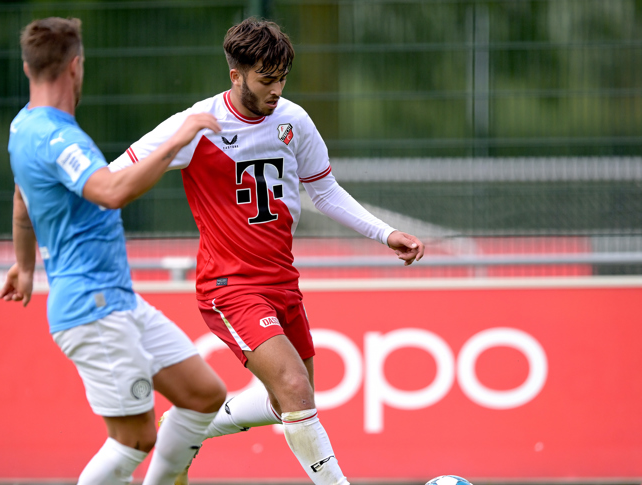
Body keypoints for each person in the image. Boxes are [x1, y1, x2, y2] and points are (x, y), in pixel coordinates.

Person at [109, 17, 426, 485]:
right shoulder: (195, 125)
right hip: (229, 285)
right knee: (295, 388)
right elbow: (113, 176)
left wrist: (386, 233)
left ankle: (182, 429)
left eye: (282, 78)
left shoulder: (293, 120)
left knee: (290, 403)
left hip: (282, 281)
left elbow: (325, 191)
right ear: (235, 75)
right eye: (266, 79)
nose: (277, 89)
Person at [0, 17, 227, 485]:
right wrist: (178, 138)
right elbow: (111, 191)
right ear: (76, 66)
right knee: (134, 439)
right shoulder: (58, 138)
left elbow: (22, 202)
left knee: (204, 394)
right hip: (93, 309)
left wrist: (24, 266)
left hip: (116, 301)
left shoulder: (22, 128)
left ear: (28, 67)